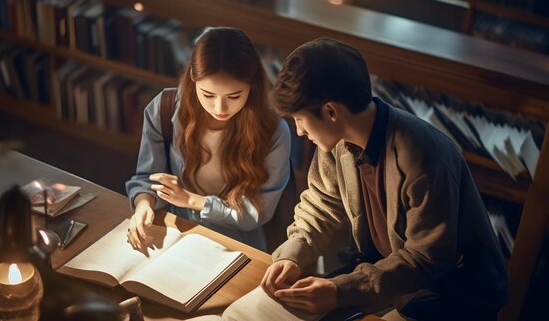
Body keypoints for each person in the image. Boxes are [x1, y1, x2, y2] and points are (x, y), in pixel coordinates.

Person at [260, 37, 509, 320]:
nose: (300, 132)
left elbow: (425, 260)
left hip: (448, 293)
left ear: (331, 111)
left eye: (300, 120)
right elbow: (321, 203)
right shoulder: (336, 141)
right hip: (386, 269)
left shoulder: (423, 158)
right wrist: (295, 252)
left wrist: (340, 291)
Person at [125, 27, 291, 252]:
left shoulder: (273, 131)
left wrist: (192, 200)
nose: (220, 108)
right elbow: (148, 177)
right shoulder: (163, 108)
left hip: (239, 243)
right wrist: (143, 204)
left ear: (252, 86)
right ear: (193, 78)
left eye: (234, 96)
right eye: (208, 95)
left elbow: (256, 211)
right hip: (177, 232)